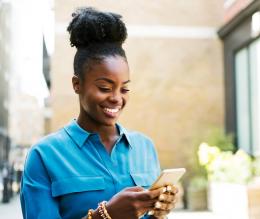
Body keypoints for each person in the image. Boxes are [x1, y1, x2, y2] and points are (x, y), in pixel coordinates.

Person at [20, 7, 178, 219]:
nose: (116, 98)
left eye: (124, 89)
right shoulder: (44, 156)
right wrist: (105, 215)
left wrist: (161, 209)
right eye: (105, 88)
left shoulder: (145, 147)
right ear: (77, 84)